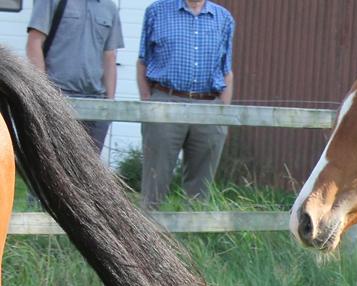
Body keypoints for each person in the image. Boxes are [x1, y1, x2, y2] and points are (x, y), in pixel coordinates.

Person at [136, 0, 235, 209]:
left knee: (201, 190)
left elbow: (226, 70)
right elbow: (142, 61)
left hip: (209, 105)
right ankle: (146, 236)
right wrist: (148, 102)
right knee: (155, 181)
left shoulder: (224, 18)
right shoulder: (156, 11)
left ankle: (191, 239)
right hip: (165, 101)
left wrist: (222, 115)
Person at [25, 0, 123, 153]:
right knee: (56, 164)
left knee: (89, 170)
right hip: (58, 97)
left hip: (96, 103)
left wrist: (109, 104)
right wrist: (44, 94)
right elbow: (34, 43)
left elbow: (110, 56)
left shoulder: (109, 7)